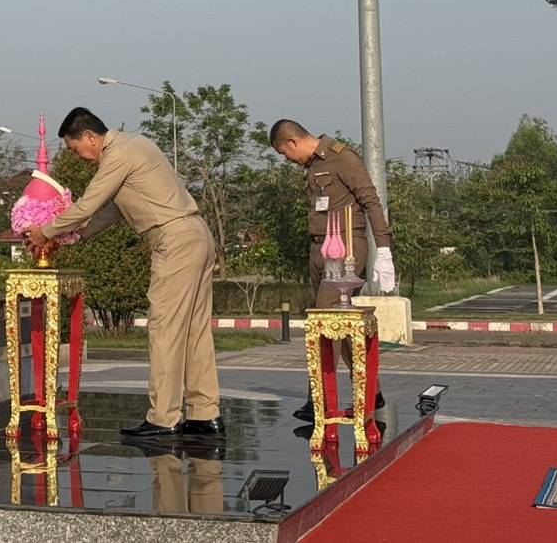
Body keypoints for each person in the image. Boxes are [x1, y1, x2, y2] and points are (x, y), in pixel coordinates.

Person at [23, 108, 223, 443]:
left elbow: (88, 204)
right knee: (193, 331)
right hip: (195, 235)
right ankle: (204, 415)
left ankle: (163, 419)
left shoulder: (118, 153)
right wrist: (71, 236)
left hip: (174, 241)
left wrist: (45, 231)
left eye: (75, 150)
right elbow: (113, 210)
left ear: (90, 137)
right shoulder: (135, 147)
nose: (80, 157)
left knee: (165, 330)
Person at [269, 119, 395, 422]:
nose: (287, 160)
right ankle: (371, 391)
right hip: (319, 250)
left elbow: (371, 201)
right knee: (341, 325)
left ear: (293, 142)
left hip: (347, 250)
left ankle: (320, 398)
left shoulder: (342, 158)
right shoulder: (313, 166)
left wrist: (384, 248)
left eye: (285, 154)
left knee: (325, 322)